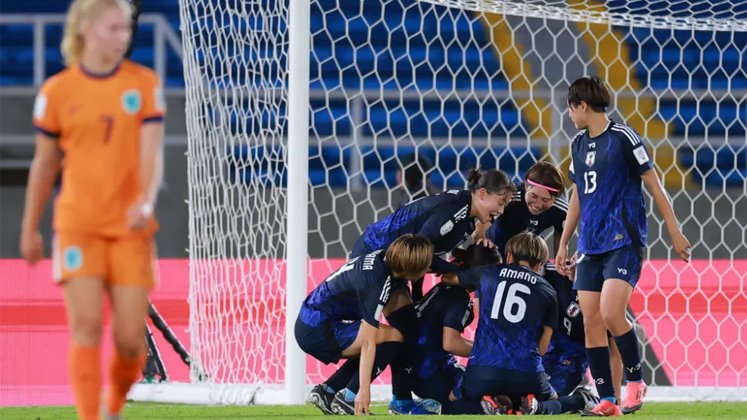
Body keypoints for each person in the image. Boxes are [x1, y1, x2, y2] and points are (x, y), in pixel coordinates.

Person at [19, 1, 165, 419]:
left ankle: (113, 405)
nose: (124, 37)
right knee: (84, 327)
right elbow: (44, 164)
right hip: (78, 226)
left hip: (130, 229)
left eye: (126, 29)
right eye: (113, 28)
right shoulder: (57, 93)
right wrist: (30, 227)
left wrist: (146, 199)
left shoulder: (144, 83)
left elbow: (151, 155)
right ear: (85, 30)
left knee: (130, 344)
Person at [556, 76, 691, 416]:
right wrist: (563, 241)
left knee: (612, 313)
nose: (570, 115)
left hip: (623, 240)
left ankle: (635, 380)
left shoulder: (624, 138)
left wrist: (675, 231)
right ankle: (608, 400)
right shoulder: (577, 144)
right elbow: (577, 195)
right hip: (590, 244)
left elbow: (653, 183)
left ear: (582, 106)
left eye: (571, 108)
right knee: (591, 321)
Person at [442, 233, 595, 415]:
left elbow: (447, 278)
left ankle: (486, 408)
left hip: (482, 371)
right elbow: (542, 349)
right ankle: (573, 401)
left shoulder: (488, 273)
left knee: (451, 402)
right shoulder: (548, 291)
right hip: (528, 375)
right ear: (539, 264)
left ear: (508, 256)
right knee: (552, 399)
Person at [296, 235, 433, 415]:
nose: (427, 271)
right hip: (318, 329)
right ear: (412, 268)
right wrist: (364, 390)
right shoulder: (377, 284)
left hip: (311, 321)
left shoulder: (383, 258)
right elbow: (369, 343)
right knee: (393, 338)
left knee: (385, 338)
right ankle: (348, 398)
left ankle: (328, 391)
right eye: (425, 267)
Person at [387, 244, 499, 414]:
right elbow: (451, 343)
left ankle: (430, 404)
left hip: (414, 368)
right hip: (430, 374)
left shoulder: (443, 288)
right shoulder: (459, 297)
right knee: (490, 405)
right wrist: (490, 353)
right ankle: (435, 408)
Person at [478, 161, 568, 256]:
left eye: (545, 200)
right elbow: (481, 226)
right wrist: (484, 248)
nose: (538, 204)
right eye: (533, 196)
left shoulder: (561, 210)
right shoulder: (509, 196)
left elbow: (560, 236)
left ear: (556, 198)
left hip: (530, 251)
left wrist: (559, 259)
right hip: (497, 246)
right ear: (526, 185)